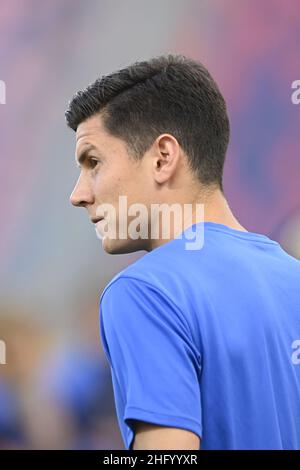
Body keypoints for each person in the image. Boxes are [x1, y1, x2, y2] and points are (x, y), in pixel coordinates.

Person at [66, 54, 300, 450]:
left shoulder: (145, 292)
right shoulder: (293, 278)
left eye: (93, 162)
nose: (79, 195)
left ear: (163, 157)